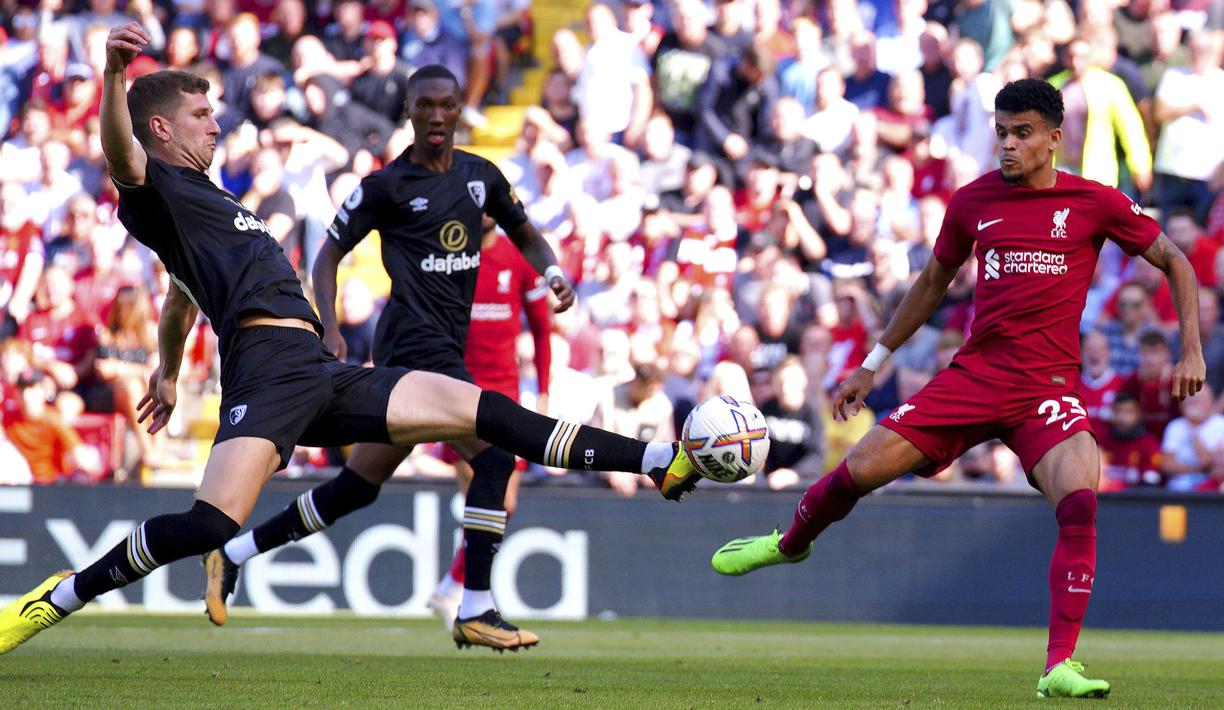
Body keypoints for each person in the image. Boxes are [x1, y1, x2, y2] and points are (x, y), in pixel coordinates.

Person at [0, 24, 703, 657]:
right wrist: (114, 77)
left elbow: (181, 293)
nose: (216, 125)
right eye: (201, 115)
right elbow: (121, 158)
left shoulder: (211, 200)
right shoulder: (155, 187)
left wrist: (168, 368)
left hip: (319, 367)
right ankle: (57, 596)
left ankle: (658, 460)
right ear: (160, 127)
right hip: (266, 374)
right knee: (207, 525)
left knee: (489, 417)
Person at [711, 79, 1206, 699]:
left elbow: (1176, 261)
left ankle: (1059, 665)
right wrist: (874, 362)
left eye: (1022, 134)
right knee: (859, 468)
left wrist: (1191, 347)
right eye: (1001, 132)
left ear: (1054, 138)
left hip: (1046, 389)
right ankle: (789, 544)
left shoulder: (1095, 201)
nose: (1007, 145)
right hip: (975, 378)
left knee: (1081, 494)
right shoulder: (973, 202)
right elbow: (930, 283)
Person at [197, 63, 692, 650]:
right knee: (496, 458)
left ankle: (235, 551)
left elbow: (525, 230)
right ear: (408, 110)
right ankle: (478, 603)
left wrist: (554, 272)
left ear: (460, 109)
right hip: (412, 354)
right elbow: (328, 255)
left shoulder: (480, 178)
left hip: (441, 354)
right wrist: (328, 325)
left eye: (446, 104)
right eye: (424, 105)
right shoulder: (385, 186)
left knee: (358, 487)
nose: (435, 115)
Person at [425, 214, 553, 627]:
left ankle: (452, 587)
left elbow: (541, 329)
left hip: (505, 393)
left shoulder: (517, 258)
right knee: (479, 499)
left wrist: (545, 390)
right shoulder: (450, 255)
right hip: (459, 391)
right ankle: (466, 593)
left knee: (504, 503)